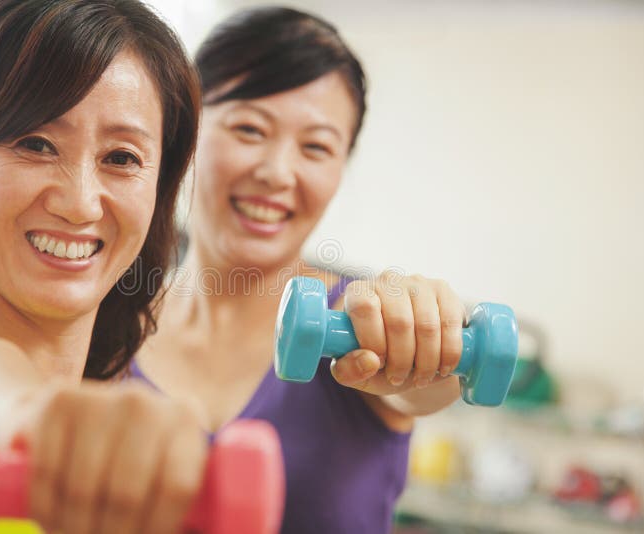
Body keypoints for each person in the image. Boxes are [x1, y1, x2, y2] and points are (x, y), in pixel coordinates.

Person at [0, 1, 207, 533]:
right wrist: (32, 419)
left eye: (121, 158)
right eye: (36, 144)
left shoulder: (119, 453)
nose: (80, 203)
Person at [130, 7, 466, 533]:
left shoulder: (361, 322)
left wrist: (428, 348)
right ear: (185, 132)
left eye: (316, 147)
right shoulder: (103, 324)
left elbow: (424, 386)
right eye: (249, 128)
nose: (277, 172)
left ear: (339, 169)